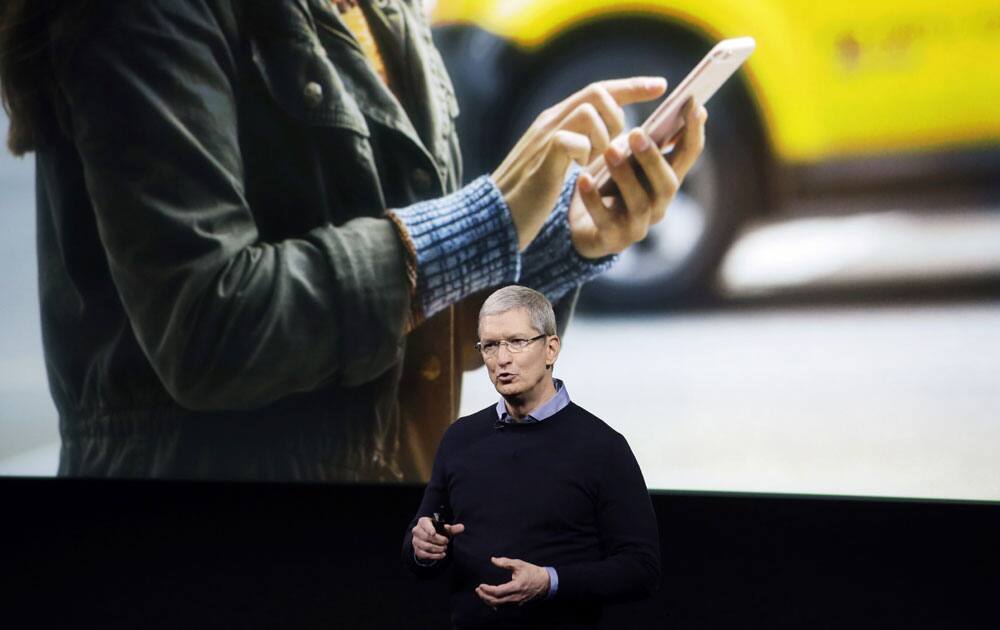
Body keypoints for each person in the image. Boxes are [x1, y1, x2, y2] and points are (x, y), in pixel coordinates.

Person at [0, 0, 706, 481]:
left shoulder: (385, 9)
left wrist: (564, 244)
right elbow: (208, 330)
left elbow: (403, 335)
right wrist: (487, 221)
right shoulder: (142, 16)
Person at [403, 285, 660, 629]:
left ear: (551, 348)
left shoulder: (602, 447)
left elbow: (641, 568)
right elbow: (421, 542)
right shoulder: (460, 438)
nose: (502, 358)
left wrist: (549, 582)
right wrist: (421, 548)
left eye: (517, 342)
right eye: (490, 346)